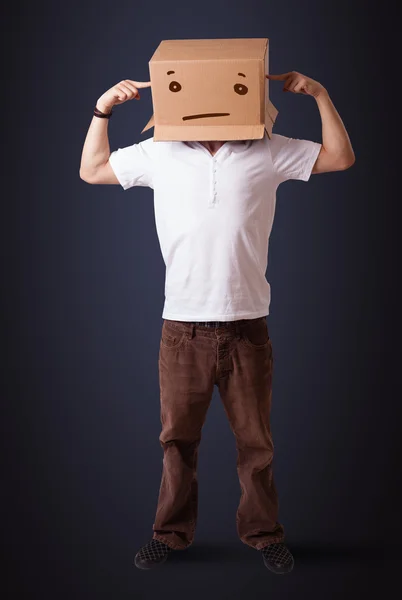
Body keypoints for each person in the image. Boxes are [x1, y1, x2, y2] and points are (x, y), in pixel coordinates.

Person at [79, 71, 355, 574]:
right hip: (181, 329)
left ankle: (264, 533)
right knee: (176, 442)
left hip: (247, 326)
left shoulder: (267, 148)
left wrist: (320, 94)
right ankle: (170, 533)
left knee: (257, 444)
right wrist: (104, 110)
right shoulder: (159, 152)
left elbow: (340, 157)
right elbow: (92, 170)